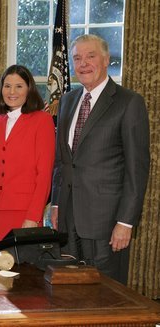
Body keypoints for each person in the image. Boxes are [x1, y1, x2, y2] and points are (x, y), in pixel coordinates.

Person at [51, 34, 150, 284]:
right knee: (68, 291)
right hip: (68, 221)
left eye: (90, 56)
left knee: (106, 295)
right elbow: (62, 161)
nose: (83, 63)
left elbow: (136, 169)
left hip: (106, 224)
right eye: (77, 58)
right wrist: (56, 204)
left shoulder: (129, 103)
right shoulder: (67, 101)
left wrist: (125, 222)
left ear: (106, 60)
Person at [0, 65, 56, 245]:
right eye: (7, 86)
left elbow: (44, 175)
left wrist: (33, 216)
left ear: (29, 89)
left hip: (24, 212)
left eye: (19, 86)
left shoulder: (42, 120)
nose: (12, 92)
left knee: (22, 269)